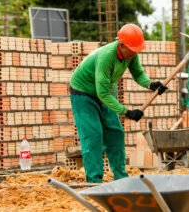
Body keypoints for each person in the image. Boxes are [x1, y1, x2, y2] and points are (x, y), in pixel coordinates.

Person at [70, 24, 167, 183]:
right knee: (93, 135)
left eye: (137, 49)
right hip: (83, 93)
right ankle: (94, 180)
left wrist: (151, 85)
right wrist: (126, 112)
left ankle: (120, 177)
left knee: (115, 132)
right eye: (132, 49)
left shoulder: (131, 53)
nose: (135, 52)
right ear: (121, 45)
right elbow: (101, 94)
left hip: (105, 89)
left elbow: (138, 74)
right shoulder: (107, 56)